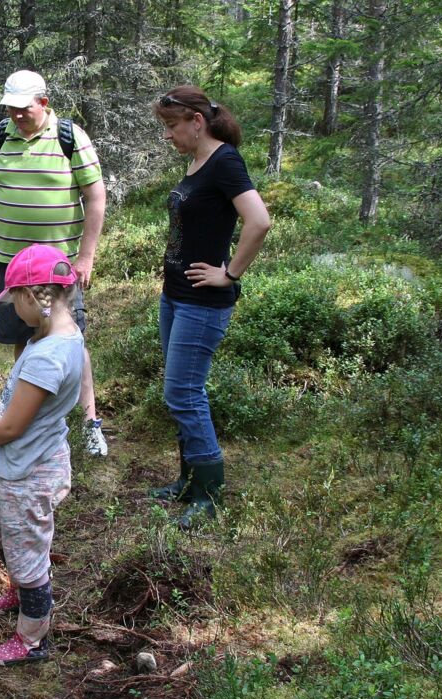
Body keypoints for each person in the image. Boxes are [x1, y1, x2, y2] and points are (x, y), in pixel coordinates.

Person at [0, 70, 110, 458]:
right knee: (20, 336)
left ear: (43, 103)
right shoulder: (0, 137)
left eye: (23, 108)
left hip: (56, 269)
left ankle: (89, 422)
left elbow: (95, 196)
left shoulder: (69, 137)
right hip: (10, 263)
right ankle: (24, 412)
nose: (16, 115)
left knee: (70, 339)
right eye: (10, 109)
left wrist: (86, 256)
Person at [146, 85, 271, 529]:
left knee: (184, 392)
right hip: (175, 296)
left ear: (196, 122)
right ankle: (188, 482)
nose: (168, 135)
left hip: (203, 301)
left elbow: (259, 221)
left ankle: (209, 495)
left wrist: (230, 273)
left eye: (172, 126)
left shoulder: (225, 162)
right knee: (179, 393)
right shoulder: (198, 162)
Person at [0, 244, 85, 666]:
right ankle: (19, 591)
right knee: (8, 533)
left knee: (28, 552)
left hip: (28, 470)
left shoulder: (47, 357)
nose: (12, 311)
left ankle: (32, 639)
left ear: (34, 297)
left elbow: (12, 425)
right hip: (30, 459)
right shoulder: (65, 337)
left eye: (13, 299)